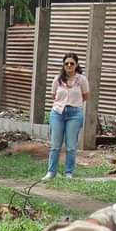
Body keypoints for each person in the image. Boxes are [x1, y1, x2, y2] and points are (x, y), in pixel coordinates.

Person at [43, 52, 90, 181]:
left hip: (75, 113)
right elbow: (54, 95)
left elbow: (86, 96)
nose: (69, 66)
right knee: (55, 145)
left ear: (76, 65)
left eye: (72, 63)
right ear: (63, 65)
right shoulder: (58, 79)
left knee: (71, 145)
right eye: (66, 63)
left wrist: (74, 104)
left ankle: (69, 172)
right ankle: (51, 172)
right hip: (58, 113)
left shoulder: (82, 80)